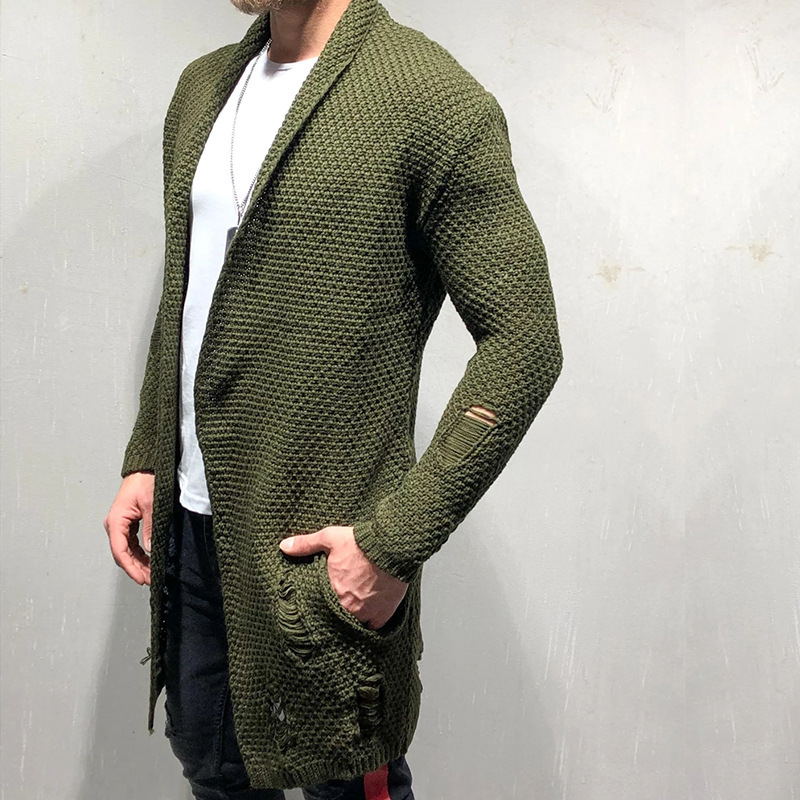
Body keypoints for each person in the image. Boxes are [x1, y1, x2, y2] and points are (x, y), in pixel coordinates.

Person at [104, 0, 564, 796]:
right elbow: (188, 295)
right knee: (213, 772)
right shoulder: (202, 88)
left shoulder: (430, 99)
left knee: (348, 783)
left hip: (317, 558)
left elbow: (525, 341)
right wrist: (150, 454)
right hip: (192, 534)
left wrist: (392, 545)